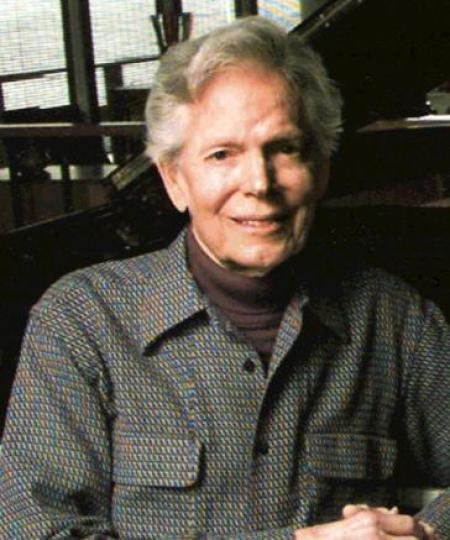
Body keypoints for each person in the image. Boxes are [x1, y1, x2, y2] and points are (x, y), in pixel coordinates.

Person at [0, 16, 448, 539]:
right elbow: (37, 532)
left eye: (285, 149)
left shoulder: (394, 318)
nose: (258, 183)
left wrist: (426, 534)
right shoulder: (82, 321)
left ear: (322, 170)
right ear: (174, 180)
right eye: (221, 154)